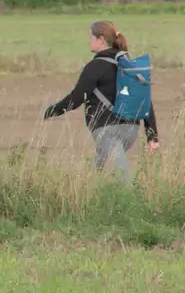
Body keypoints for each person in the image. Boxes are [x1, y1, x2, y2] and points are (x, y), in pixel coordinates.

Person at [42, 20, 159, 181]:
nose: (88, 40)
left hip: (107, 130)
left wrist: (50, 111)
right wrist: (152, 135)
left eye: (91, 37)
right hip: (131, 130)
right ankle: (88, 193)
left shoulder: (95, 66)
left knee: (124, 180)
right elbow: (143, 99)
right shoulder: (128, 65)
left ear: (101, 40)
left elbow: (77, 98)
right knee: (96, 171)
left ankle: (133, 203)